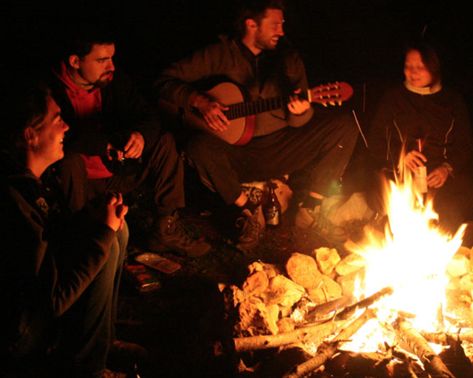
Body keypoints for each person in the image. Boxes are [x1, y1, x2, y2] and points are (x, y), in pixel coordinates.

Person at [154, 0, 359, 251]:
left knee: (344, 126)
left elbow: (300, 121)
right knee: (198, 145)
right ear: (251, 25)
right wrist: (199, 100)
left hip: (280, 146)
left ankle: (311, 208)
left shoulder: (288, 58)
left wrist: (301, 111)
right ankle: (249, 212)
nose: (281, 31)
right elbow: (164, 81)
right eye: (274, 24)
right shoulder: (218, 55)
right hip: (236, 153)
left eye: (282, 24)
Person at [0, 78, 130, 377]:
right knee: (105, 245)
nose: (66, 127)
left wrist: (95, 220)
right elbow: (52, 303)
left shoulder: (31, 181)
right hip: (20, 334)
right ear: (30, 135)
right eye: (57, 120)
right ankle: (87, 368)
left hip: (38, 307)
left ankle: (104, 343)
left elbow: (56, 238)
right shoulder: (14, 206)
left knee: (115, 231)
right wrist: (101, 234)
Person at [47, 21, 211, 258]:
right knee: (68, 159)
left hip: (119, 170)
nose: (111, 66)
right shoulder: (51, 91)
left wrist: (140, 136)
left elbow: (148, 115)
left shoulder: (113, 81)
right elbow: (66, 136)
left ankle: (165, 227)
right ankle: (80, 239)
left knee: (163, 141)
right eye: (102, 60)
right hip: (80, 182)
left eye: (112, 58)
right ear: (75, 61)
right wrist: (106, 144)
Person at [366, 40, 473, 233]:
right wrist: (400, 156)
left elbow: (464, 145)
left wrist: (447, 169)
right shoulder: (393, 98)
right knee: (388, 214)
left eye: (420, 67)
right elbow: (375, 141)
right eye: (408, 66)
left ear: (434, 67)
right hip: (400, 175)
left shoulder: (452, 101)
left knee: (451, 215)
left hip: (440, 179)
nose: (412, 73)